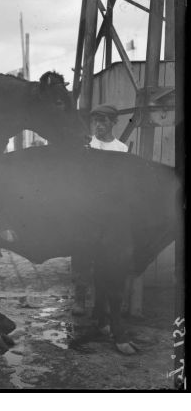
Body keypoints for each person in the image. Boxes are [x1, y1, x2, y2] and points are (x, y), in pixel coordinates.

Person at [71, 103, 129, 315]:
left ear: (113, 122)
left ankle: (100, 305)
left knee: (106, 258)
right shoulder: (87, 145)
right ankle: (79, 298)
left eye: (103, 121)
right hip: (86, 208)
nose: (98, 125)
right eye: (96, 121)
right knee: (82, 254)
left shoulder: (122, 149)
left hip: (109, 211)